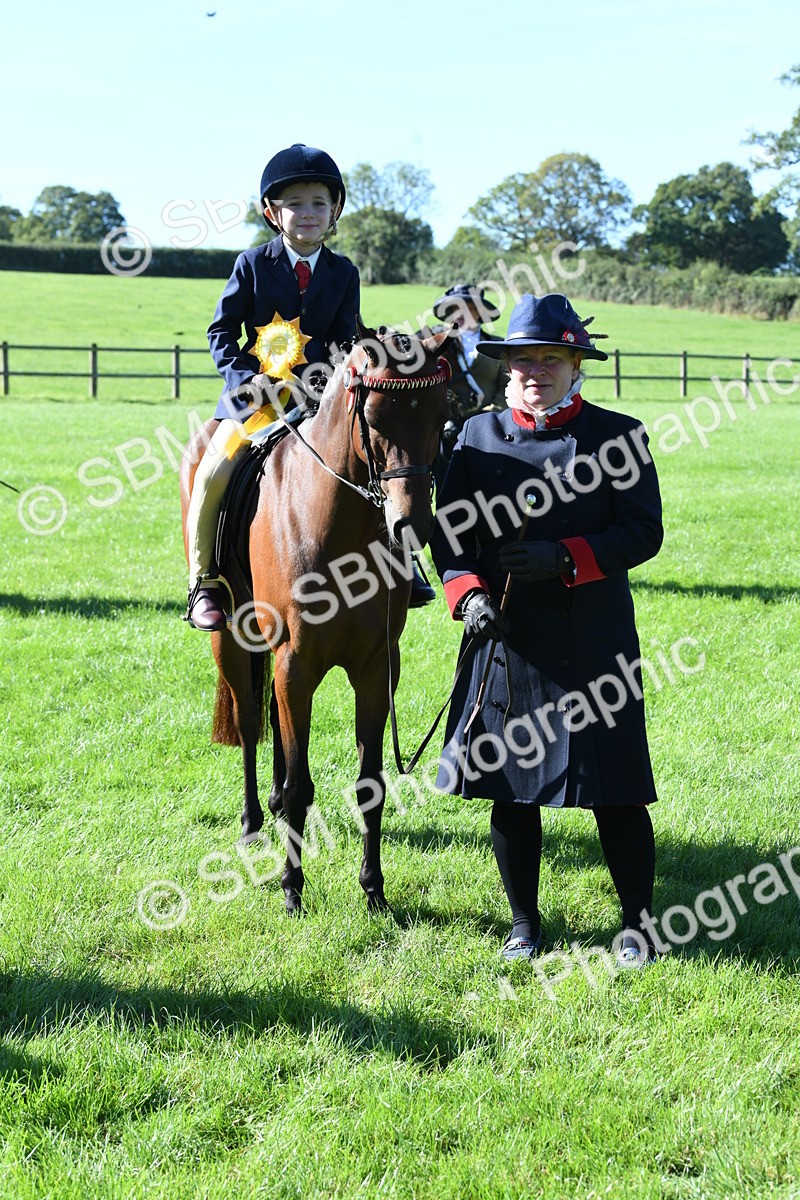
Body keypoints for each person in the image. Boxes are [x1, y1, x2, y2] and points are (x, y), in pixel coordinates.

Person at [429, 293, 664, 968]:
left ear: (575, 365)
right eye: (523, 360)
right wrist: (468, 596)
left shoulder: (619, 436)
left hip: (594, 639)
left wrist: (567, 557)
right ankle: (524, 926)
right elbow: (451, 539)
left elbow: (643, 532)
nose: (536, 372)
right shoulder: (474, 437)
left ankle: (639, 927)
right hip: (506, 639)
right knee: (510, 792)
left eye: (551, 360)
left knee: (617, 793)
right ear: (506, 367)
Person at [185, 142, 359, 631]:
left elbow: (345, 340)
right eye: (295, 204)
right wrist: (246, 381)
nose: (308, 213)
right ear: (272, 212)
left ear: (334, 211)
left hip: (319, 401)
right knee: (213, 471)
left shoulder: (344, 273)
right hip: (256, 401)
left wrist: (325, 386)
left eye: (319, 203)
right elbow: (221, 332)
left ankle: (401, 565)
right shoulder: (253, 264)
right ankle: (204, 582)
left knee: (374, 459)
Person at [428, 283, 506, 479]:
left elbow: (506, 387)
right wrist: (445, 417)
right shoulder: (437, 343)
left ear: (479, 312)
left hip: (487, 432)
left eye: (465, 307)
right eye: (454, 308)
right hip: (446, 429)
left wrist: (485, 421)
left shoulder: (497, 345)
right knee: (445, 484)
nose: (458, 313)